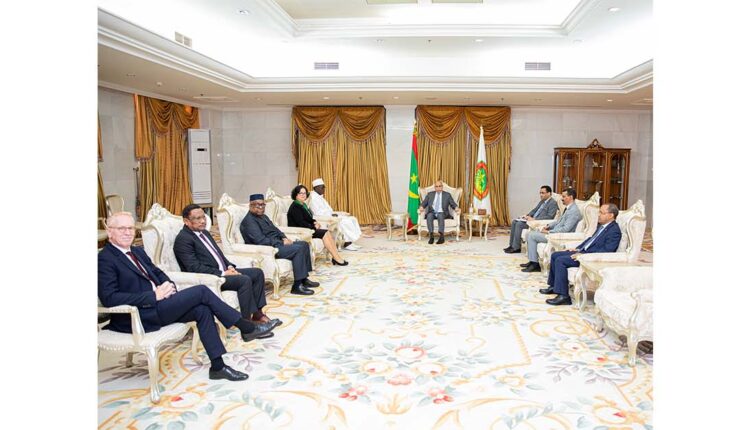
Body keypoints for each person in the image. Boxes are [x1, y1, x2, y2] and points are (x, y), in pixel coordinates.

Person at [98, 212, 276, 382]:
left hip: (160, 305)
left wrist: (168, 285)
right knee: (201, 291)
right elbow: (109, 298)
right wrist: (153, 295)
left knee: (202, 310)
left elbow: (158, 272)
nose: (128, 232)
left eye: (130, 228)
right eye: (122, 228)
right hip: (139, 315)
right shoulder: (105, 259)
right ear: (110, 231)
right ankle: (246, 327)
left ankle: (218, 367)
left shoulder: (137, 251)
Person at [173, 204, 281, 332]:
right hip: (211, 278)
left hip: (224, 271)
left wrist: (229, 266)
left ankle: (257, 314)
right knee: (244, 280)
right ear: (186, 221)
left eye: (203, 217)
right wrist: (223, 273)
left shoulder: (204, 233)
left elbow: (218, 254)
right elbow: (194, 267)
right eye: (197, 218)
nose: (203, 221)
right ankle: (249, 326)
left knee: (257, 273)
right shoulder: (183, 239)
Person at [539, 203, 622, 306]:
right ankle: (554, 286)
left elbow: (606, 251)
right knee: (555, 255)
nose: (599, 215)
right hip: (583, 252)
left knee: (561, 260)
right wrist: (578, 248)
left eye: (602, 212)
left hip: (589, 258)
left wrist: (582, 255)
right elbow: (591, 240)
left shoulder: (614, 231)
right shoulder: (602, 226)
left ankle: (564, 296)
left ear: (611, 215)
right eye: (599, 212)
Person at [240, 193, 320, 296]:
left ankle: (304, 279)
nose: (261, 207)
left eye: (263, 204)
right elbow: (261, 241)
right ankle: (297, 286)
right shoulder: (249, 221)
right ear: (250, 205)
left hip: (277, 243)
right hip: (269, 249)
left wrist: (284, 237)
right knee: (298, 249)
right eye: (257, 205)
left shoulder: (263, 216)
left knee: (304, 244)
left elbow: (275, 229)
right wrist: (282, 242)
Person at [520, 188, 582, 272]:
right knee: (529, 233)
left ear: (570, 197)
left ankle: (535, 264)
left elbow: (566, 229)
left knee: (531, 235)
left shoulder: (574, 211)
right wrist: (548, 226)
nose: (562, 198)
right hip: (554, 232)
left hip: (558, 236)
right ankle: (532, 261)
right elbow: (559, 221)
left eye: (564, 196)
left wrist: (549, 232)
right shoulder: (568, 208)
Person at [287, 184, 348, 266]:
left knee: (327, 232)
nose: (303, 195)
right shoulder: (295, 207)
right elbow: (301, 223)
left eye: (304, 193)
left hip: (308, 229)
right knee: (324, 233)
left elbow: (308, 218)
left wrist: (315, 222)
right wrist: (313, 226)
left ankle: (336, 257)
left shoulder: (303, 205)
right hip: (301, 231)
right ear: (296, 194)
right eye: (300, 193)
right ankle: (336, 258)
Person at [308, 178, 364, 251]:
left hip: (330, 215)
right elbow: (318, 213)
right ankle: (347, 243)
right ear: (316, 188)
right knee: (346, 222)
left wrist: (335, 213)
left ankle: (350, 241)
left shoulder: (319, 196)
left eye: (324, 187)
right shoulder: (313, 198)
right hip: (325, 218)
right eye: (322, 187)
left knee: (352, 218)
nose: (324, 189)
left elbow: (328, 209)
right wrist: (331, 215)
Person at [504, 185, 557, 254]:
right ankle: (511, 245)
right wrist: (527, 215)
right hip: (531, 220)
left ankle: (516, 248)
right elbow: (534, 210)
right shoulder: (542, 201)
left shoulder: (553, 203)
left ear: (549, 193)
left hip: (537, 222)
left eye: (543, 193)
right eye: (540, 193)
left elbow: (550, 216)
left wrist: (534, 219)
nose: (541, 195)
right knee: (514, 222)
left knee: (519, 224)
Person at [418, 180, 460, 244]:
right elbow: (424, 203)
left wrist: (456, 208)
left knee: (440, 215)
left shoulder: (447, 195)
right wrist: (421, 207)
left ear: (442, 187)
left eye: (440, 186)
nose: (438, 188)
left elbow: (452, 204)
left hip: (443, 213)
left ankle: (441, 236)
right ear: (435, 187)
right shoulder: (430, 194)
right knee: (429, 215)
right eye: (436, 186)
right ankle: (431, 236)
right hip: (432, 212)